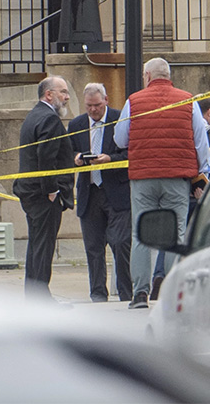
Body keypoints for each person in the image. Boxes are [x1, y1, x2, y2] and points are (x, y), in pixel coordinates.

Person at [114, 58, 210, 309]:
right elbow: (201, 141)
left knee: (140, 235)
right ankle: (171, 292)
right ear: (169, 75)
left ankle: (139, 294)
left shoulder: (133, 101)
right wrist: (203, 173)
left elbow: (120, 139)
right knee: (176, 232)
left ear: (147, 75)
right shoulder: (188, 101)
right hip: (177, 178)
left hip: (143, 177)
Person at [150, 96, 210, 301]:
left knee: (171, 237)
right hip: (200, 196)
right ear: (208, 112)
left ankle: (160, 275)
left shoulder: (180, 132)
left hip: (177, 189)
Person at [68, 83, 133, 302]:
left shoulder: (119, 120)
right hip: (90, 192)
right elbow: (68, 151)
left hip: (116, 191)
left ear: (106, 100)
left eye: (97, 105)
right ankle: (97, 294)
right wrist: (77, 158)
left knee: (120, 243)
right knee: (93, 247)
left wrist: (109, 159)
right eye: (89, 106)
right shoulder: (77, 124)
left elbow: (129, 154)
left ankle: (126, 292)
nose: (93, 110)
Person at [13, 76, 75, 299]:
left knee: (37, 245)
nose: (67, 97)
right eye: (63, 92)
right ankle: (39, 297)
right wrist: (52, 191)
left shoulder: (35, 115)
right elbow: (46, 157)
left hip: (31, 192)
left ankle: (35, 294)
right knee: (43, 246)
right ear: (49, 94)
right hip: (42, 194)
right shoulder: (49, 118)